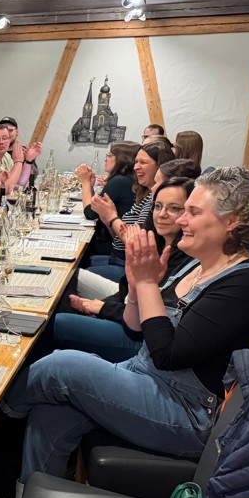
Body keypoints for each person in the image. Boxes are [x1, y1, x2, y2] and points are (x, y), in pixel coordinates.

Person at [0, 167, 249, 498]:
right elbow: (136, 327)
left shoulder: (248, 284)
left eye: (193, 212)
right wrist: (140, 285)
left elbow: (168, 353)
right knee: (51, 413)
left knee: (62, 366)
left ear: (232, 222)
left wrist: (146, 282)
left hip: (187, 413)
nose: (182, 220)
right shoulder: (197, 266)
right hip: (146, 377)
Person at [58, 177, 195, 363]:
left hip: (139, 340)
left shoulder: (184, 255)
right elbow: (129, 290)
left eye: (173, 208)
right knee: (65, 278)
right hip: (124, 305)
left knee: (57, 325)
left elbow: (149, 315)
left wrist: (103, 308)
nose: (162, 214)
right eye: (158, 206)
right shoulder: (156, 240)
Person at [84, 139, 175, 282]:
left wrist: (112, 217)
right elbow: (118, 237)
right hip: (119, 257)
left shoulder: (156, 201)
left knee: (70, 277)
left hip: (130, 267)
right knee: (76, 261)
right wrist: (108, 220)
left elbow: (136, 242)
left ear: (160, 167)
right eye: (136, 162)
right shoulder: (144, 193)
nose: (136, 167)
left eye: (143, 163)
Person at [76, 141, 138, 257]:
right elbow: (98, 206)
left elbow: (90, 213)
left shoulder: (119, 181)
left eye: (109, 156)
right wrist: (90, 186)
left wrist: (84, 182)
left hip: (115, 246)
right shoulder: (126, 179)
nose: (105, 159)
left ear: (122, 160)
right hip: (115, 239)